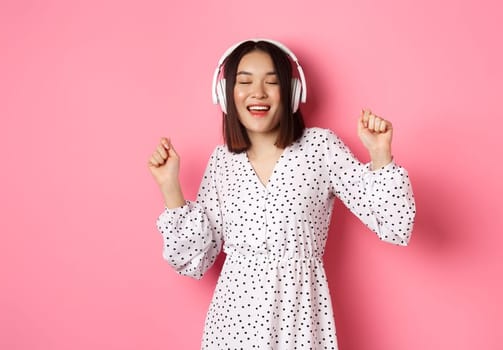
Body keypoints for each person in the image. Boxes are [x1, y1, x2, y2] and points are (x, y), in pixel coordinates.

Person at [147, 39, 416, 349]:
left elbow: (395, 223)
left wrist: (380, 154)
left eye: (271, 82)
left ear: (292, 92)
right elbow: (194, 260)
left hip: (298, 320)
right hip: (231, 326)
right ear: (225, 94)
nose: (258, 92)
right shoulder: (222, 161)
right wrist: (170, 187)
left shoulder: (320, 147)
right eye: (244, 81)